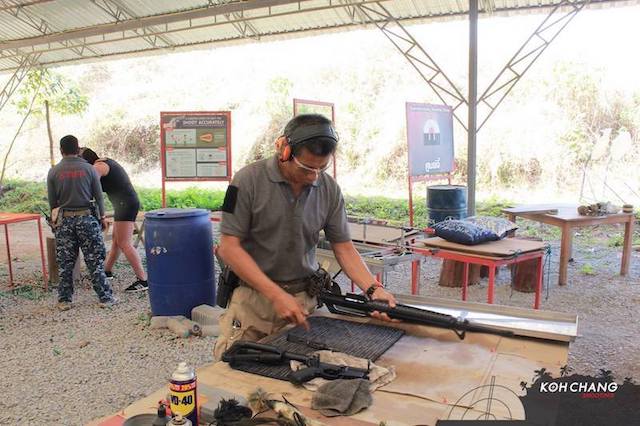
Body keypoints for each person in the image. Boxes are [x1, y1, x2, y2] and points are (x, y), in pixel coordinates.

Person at [213, 114, 397, 360]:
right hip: (252, 301)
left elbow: (343, 247)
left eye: (322, 167)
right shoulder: (247, 181)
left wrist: (374, 289)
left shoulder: (329, 189)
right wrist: (276, 295)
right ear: (284, 151)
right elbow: (228, 248)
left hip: (302, 301)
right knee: (234, 374)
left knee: (297, 379)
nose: (314, 176)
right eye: (307, 167)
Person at [47, 135, 117, 311]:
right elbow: (99, 197)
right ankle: (105, 298)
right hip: (87, 219)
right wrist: (102, 217)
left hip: (64, 221)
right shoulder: (89, 169)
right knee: (94, 261)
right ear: (78, 149)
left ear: (61, 150)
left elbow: (52, 202)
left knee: (65, 263)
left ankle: (64, 300)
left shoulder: (53, 172)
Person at [79, 147, 148, 292]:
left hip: (126, 204)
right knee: (117, 241)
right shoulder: (103, 162)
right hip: (124, 203)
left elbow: (90, 186)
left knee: (124, 243)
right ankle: (107, 271)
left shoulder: (98, 167)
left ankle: (143, 280)